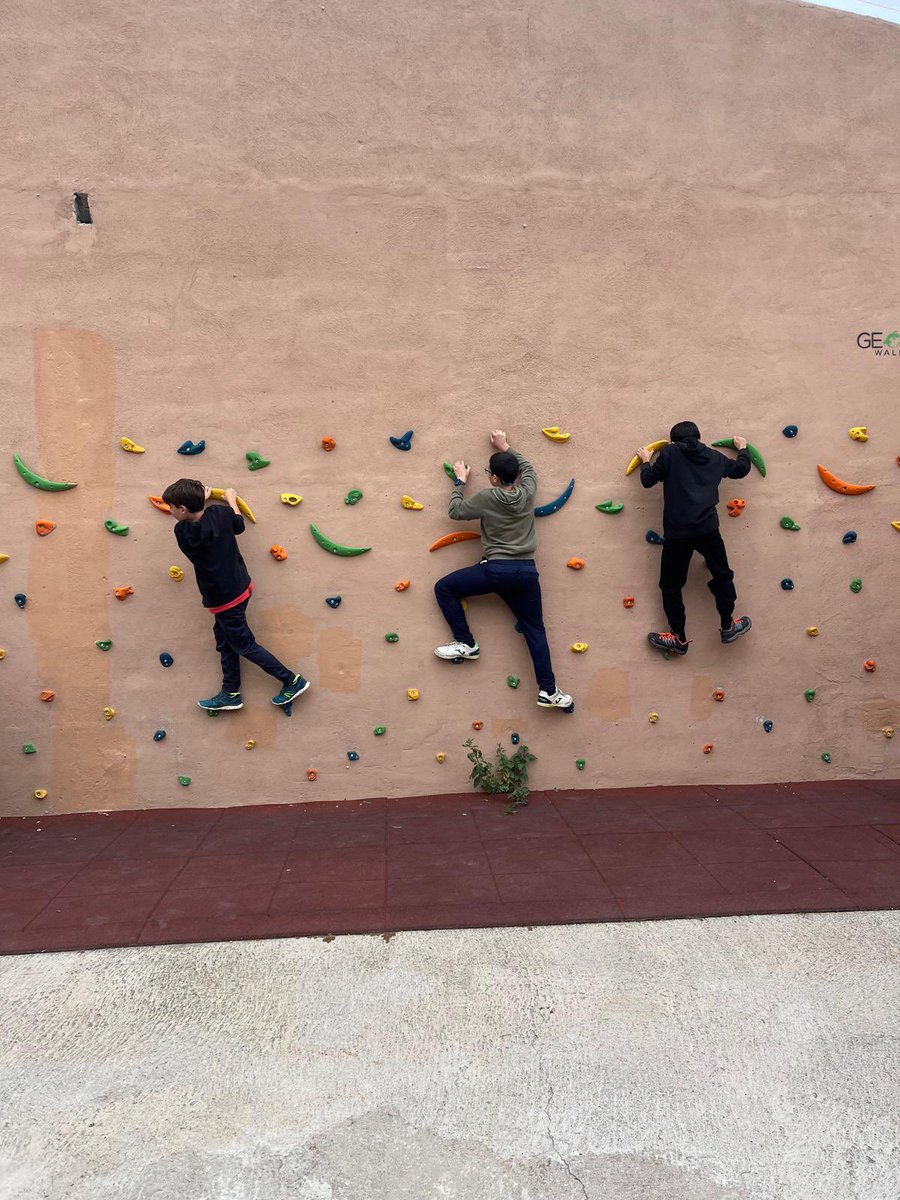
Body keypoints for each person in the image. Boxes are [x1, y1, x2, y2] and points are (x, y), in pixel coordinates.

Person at [433, 430, 573, 710]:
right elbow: (529, 469)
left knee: (444, 588)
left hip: (496, 570)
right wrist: (506, 446)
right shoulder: (528, 492)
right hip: (526, 573)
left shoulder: (488, 497)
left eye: (489, 473)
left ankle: (466, 643)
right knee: (535, 630)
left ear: (494, 478)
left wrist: (459, 481)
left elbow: (456, 511)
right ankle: (548, 691)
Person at [161, 479, 310, 710]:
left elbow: (198, 523)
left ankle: (292, 680)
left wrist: (202, 502)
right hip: (240, 587)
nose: (170, 511)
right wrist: (231, 501)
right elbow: (238, 525)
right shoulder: (220, 514)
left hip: (223, 599)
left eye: (171, 507)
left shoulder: (183, 532)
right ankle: (231, 692)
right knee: (225, 642)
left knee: (244, 644)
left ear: (182, 509)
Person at [637, 421, 752, 655]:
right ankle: (728, 625)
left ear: (674, 440)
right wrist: (743, 448)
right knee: (722, 575)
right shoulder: (714, 457)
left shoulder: (669, 453)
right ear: (699, 437)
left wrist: (645, 460)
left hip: (677, 533)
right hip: (708, 529)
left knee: (671, 585)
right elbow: (741, 469)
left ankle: (678, 637)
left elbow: (648, 480)